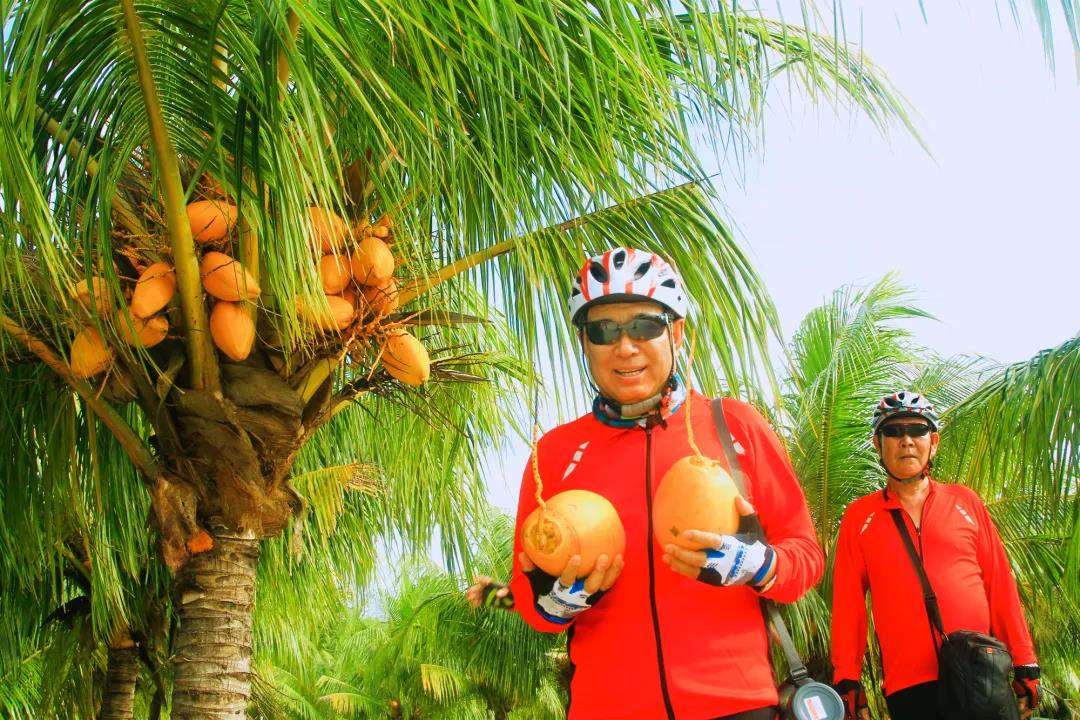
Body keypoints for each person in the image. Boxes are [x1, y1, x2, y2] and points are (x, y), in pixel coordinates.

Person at [466, 247, 824, 720]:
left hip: (736, 705)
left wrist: (760, 565)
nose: (625, 346)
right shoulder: (553, 454)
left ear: (676, 332)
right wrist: (555, 605)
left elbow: (807, 557)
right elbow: (529, 598)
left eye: (644, 326)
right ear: (584, 342)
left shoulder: (732, 424)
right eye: (604, 331)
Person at [830, 391, 1041, 720]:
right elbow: (848, 605)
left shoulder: (965, 502)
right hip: (909, 684)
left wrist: (1025, 661)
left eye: (917, 430)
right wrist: (847, 679)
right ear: (877, 443)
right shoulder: (860, 517)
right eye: (893, 432)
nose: (907, 441)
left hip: (981, 675)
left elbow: (999, 583)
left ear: (934, 442)